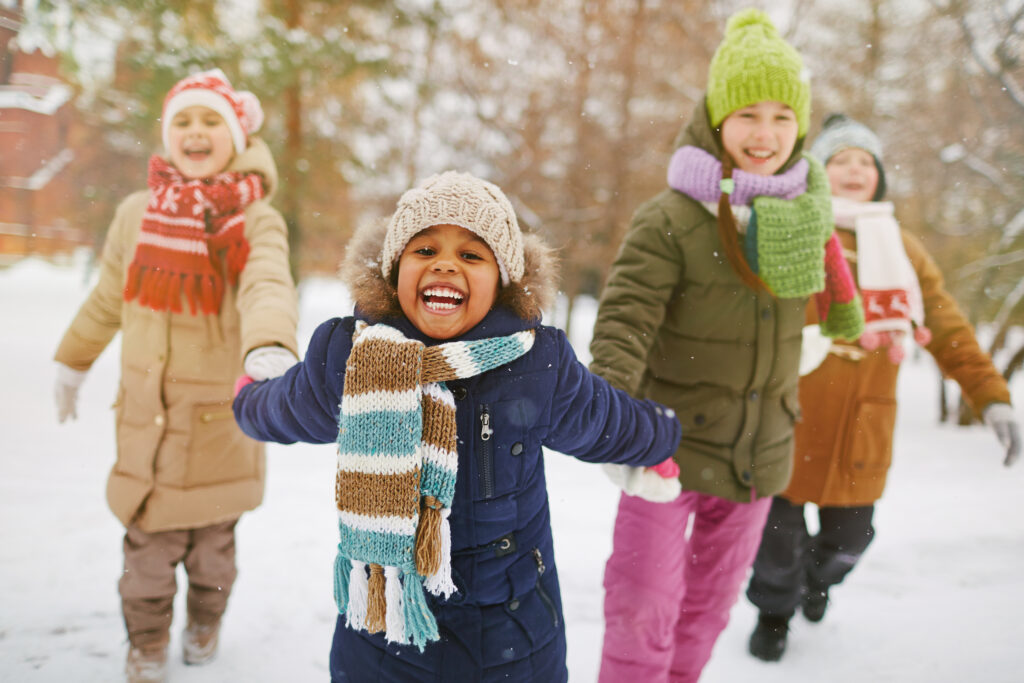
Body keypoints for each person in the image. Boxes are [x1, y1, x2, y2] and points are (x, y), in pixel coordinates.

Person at [231, 170, 683, 682]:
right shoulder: (351, 356)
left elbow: (608, 421)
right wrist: (249, 399)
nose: (445, 263)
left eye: (471, 255)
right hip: (386, 637)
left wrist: (660, 437)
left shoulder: (538, 366)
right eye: (424, 251)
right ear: (393, 270)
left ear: (505, 280)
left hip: (514, 638)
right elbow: (290, 406)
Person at [591, 9, 865, 682]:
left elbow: (833, 297)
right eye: (747, 115)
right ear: (717, 119)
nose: (765, 134)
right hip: (664, 452)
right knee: (642, 606)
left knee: (707, 609)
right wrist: (611, 425)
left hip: (758, 456)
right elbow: (625, 322)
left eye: (781, 116)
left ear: (800, 122)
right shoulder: (671, 218)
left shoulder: (808, 212)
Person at [744, 112, 1022, 662]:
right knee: (775, 540)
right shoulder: (793, 227)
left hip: (861, 426)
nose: (853, 170)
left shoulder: (904, 250)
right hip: (789, 416)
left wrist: (992, 397)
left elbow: (947, 328)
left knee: (849, 539)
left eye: (865, 162)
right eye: (840, 160)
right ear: (819, 172)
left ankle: (819, 584)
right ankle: (774, 612)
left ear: (879, 177)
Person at [53, 69, 299, 682]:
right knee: (146, 557)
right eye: (182, 121)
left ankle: (205, 622)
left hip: (218, 424)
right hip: (146, 422)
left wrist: (268, 345)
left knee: (214, 554)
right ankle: (147, 641)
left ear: (237, 134)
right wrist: (73, 359)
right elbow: (111, 296)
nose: (195, 131)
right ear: (166, 136)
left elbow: (267, 282)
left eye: (211, 120)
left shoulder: (254, 219)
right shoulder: (137, 213)